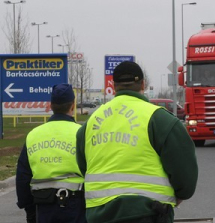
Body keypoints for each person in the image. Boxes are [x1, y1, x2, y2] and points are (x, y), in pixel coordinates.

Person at [76, 61, 198, 223]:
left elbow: (84, 166)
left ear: (114, 85)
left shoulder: (90, 123)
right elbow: (184, 170)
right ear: (143, 84)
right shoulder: (159, 119)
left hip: (100, 214)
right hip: (149, 212)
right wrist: (181, 193)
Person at [16, 83, 86, 223]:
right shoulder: (82, 133)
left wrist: (29, 210)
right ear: (72, 105)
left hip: (43, 206)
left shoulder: (33, 135)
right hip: (77, 205)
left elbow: (23, 177)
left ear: (51, 106)